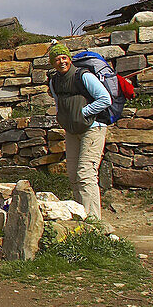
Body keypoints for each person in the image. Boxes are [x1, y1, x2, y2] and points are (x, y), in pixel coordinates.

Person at [47, 41, 111, 220]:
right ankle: (82, 217)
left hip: (93, 127)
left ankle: (93, 223)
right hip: (72, 130)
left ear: (69, 59)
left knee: (85, 174)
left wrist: (84, 113)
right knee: (74, 174)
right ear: (53, 63)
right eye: (57, 59)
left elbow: (105, 99)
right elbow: (58, 103)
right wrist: (63, 117)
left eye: (64, 58)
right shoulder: (54, 81)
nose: (62, 62)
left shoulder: (83, 76)